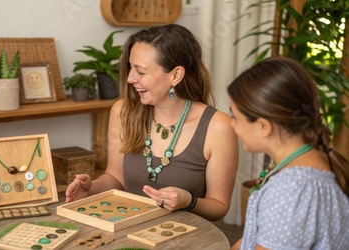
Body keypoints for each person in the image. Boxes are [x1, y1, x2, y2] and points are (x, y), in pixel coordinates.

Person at [65, 24, 239, 221]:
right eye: (130, 68)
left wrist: (189, 201)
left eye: (141, 71)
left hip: (186, 237)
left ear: (175, 75)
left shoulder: (218, 127)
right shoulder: (123, 112)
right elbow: (115, 179)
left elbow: (219, 206)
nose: (130, 78)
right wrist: (91, 188)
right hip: (128, 231)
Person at [228, 57, 349, 249]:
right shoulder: (315, 159)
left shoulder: (292, 190)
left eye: (235, 116)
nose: (231, 123)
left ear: (263, 126)